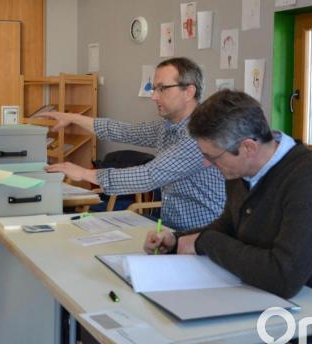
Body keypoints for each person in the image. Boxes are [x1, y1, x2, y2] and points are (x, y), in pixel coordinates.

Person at [144, 90, 312, 344]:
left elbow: (281, 277)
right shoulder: (242, 170)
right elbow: (228, 226)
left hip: (309, 330)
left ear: (248, 147)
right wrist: (178, 239)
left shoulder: (311, 178)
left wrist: (205, 242)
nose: (207, 164)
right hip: (254, 305)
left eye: (213, 157)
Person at [39, 57, 225, 231]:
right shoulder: (168, 127)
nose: (154, 96)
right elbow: (124, 131)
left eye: (162, 88)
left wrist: (84, 174)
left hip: (202, 233)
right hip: (169, 227)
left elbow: (149, 175)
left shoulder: (199, 135)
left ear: (188, 92)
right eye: (154, 88)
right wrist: (73, 118)